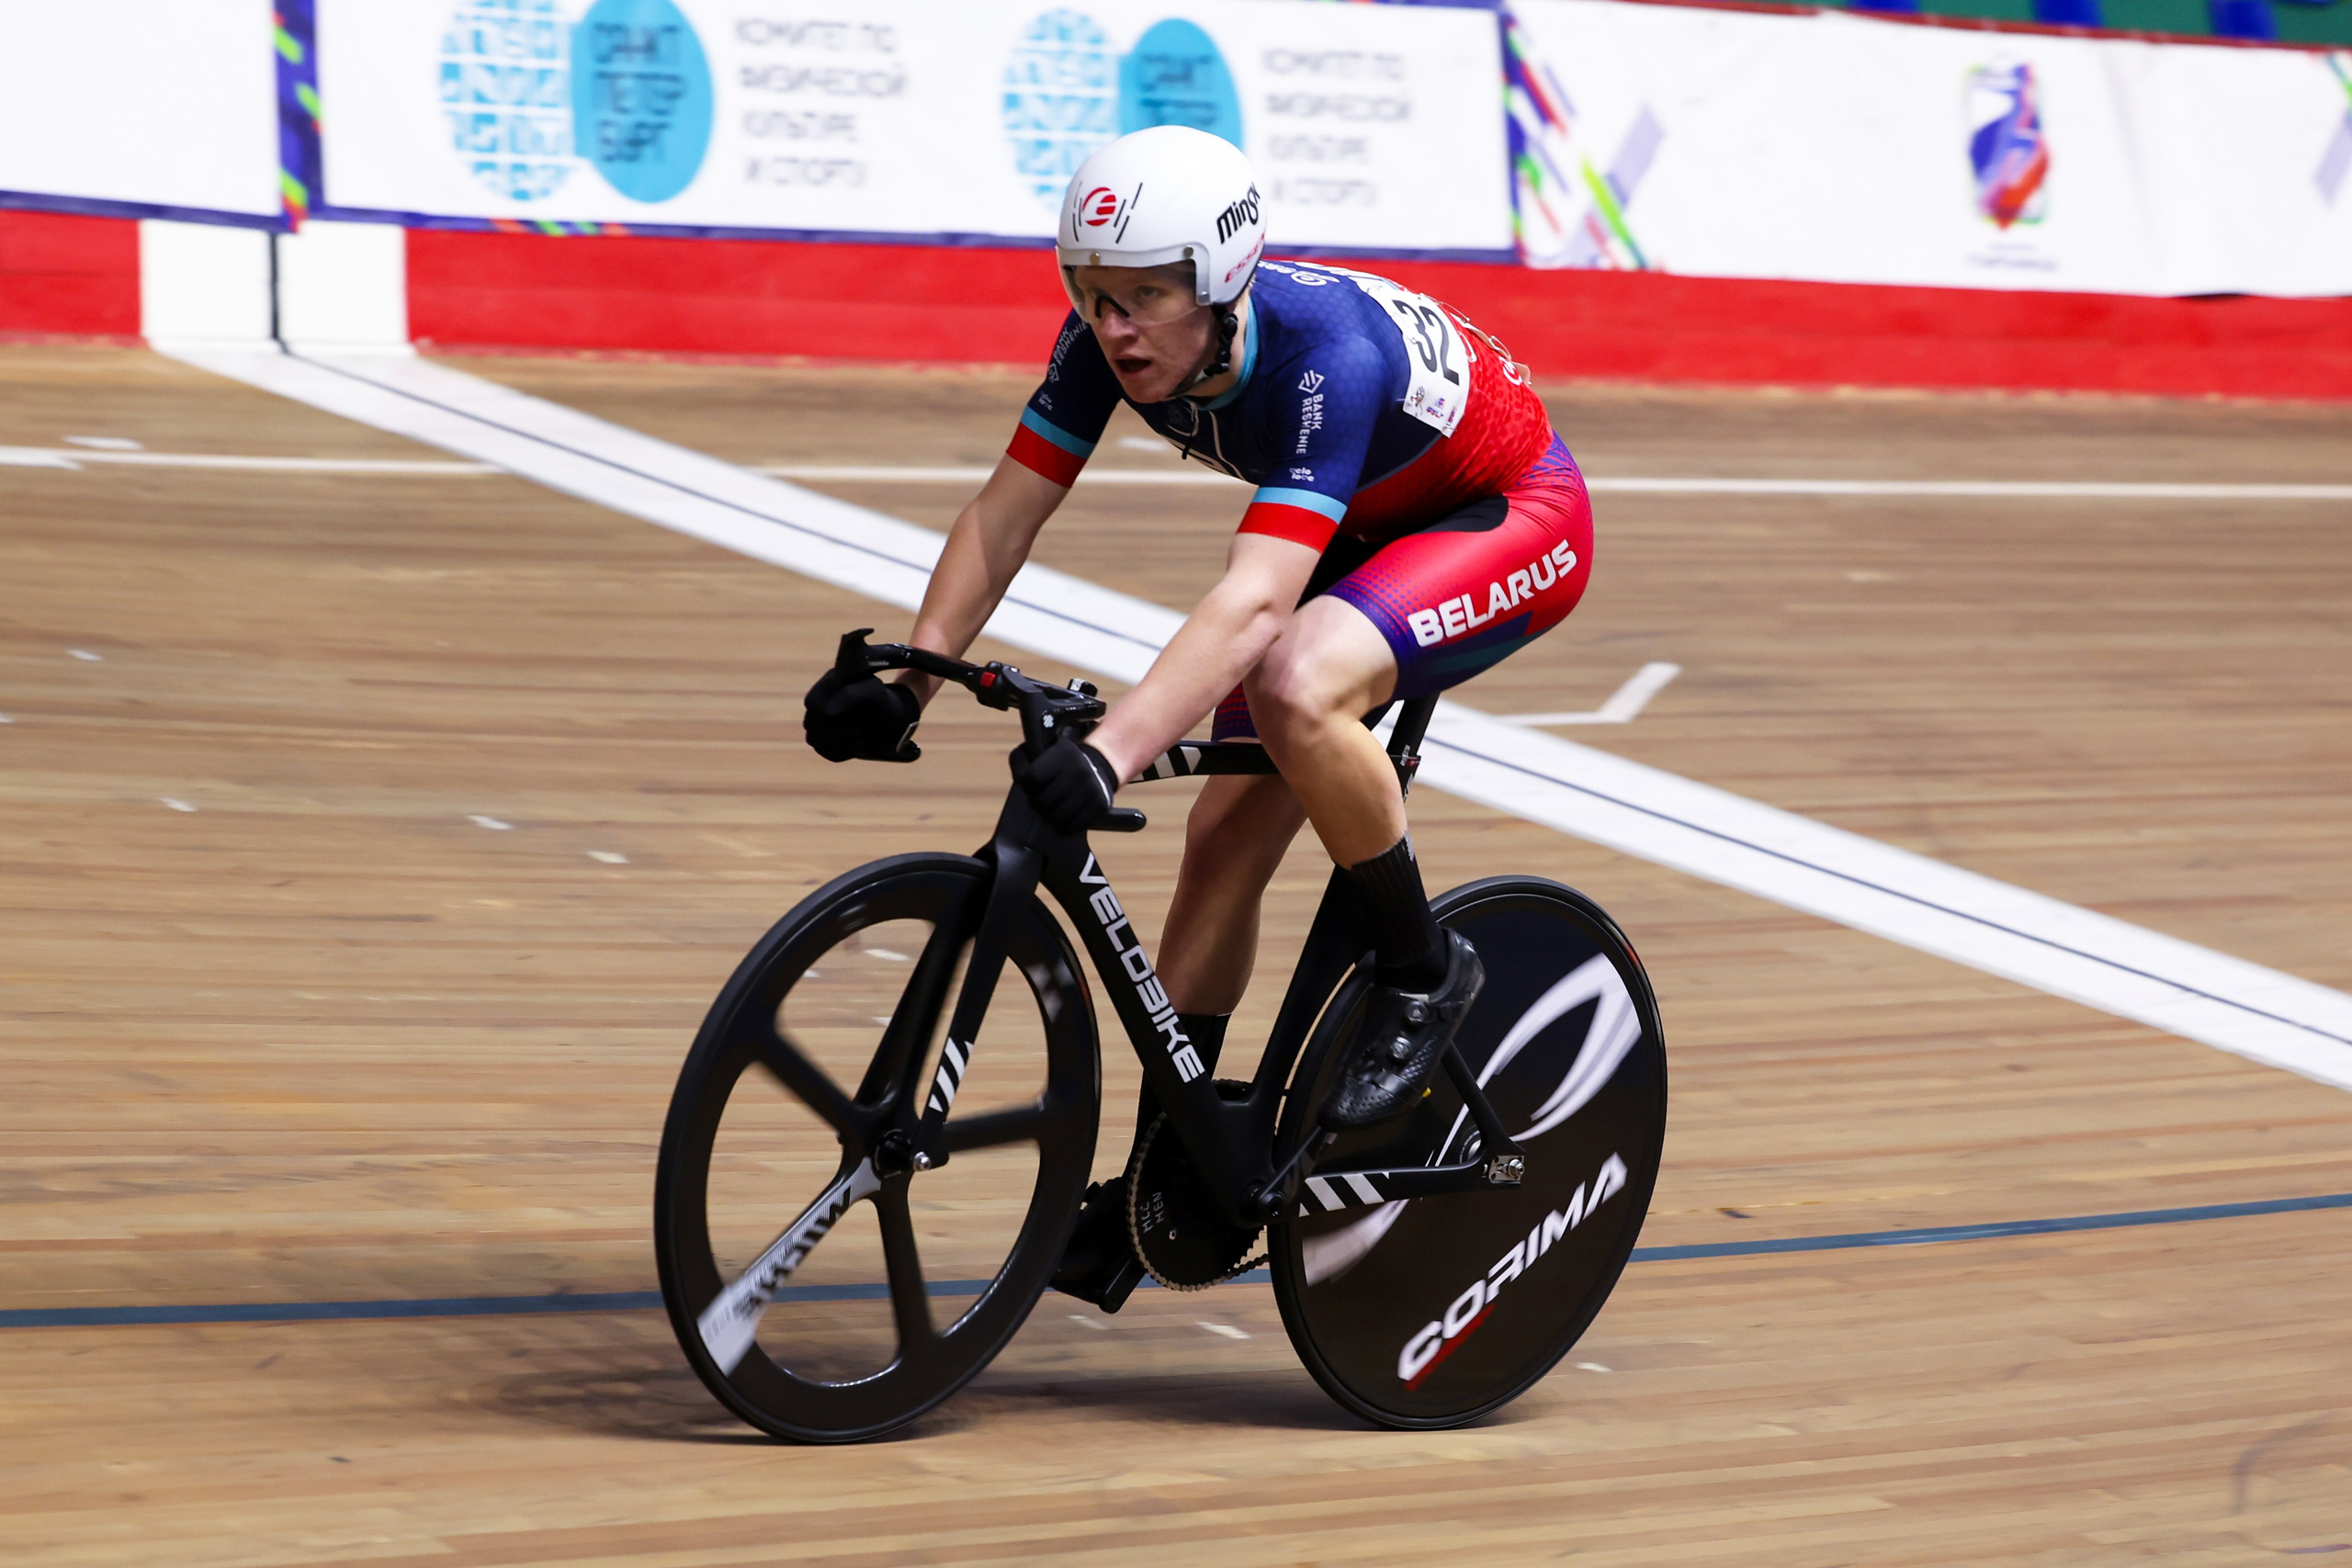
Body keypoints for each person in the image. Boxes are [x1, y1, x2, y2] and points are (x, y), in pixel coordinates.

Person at [803, 126, 1593, 1307]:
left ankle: (1423, 970)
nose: (1115, 329)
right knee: (1221, 836)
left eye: (1147, 299)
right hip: (1369, 533)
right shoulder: (1107, 341)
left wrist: (1113, 751)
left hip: (1506, 514)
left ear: (1221, 284)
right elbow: (1004, 513)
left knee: (1292, 686)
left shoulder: (1324, 357)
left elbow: (1259, 597)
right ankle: (1176, 1177)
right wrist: (913, 672)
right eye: (1093, 296)